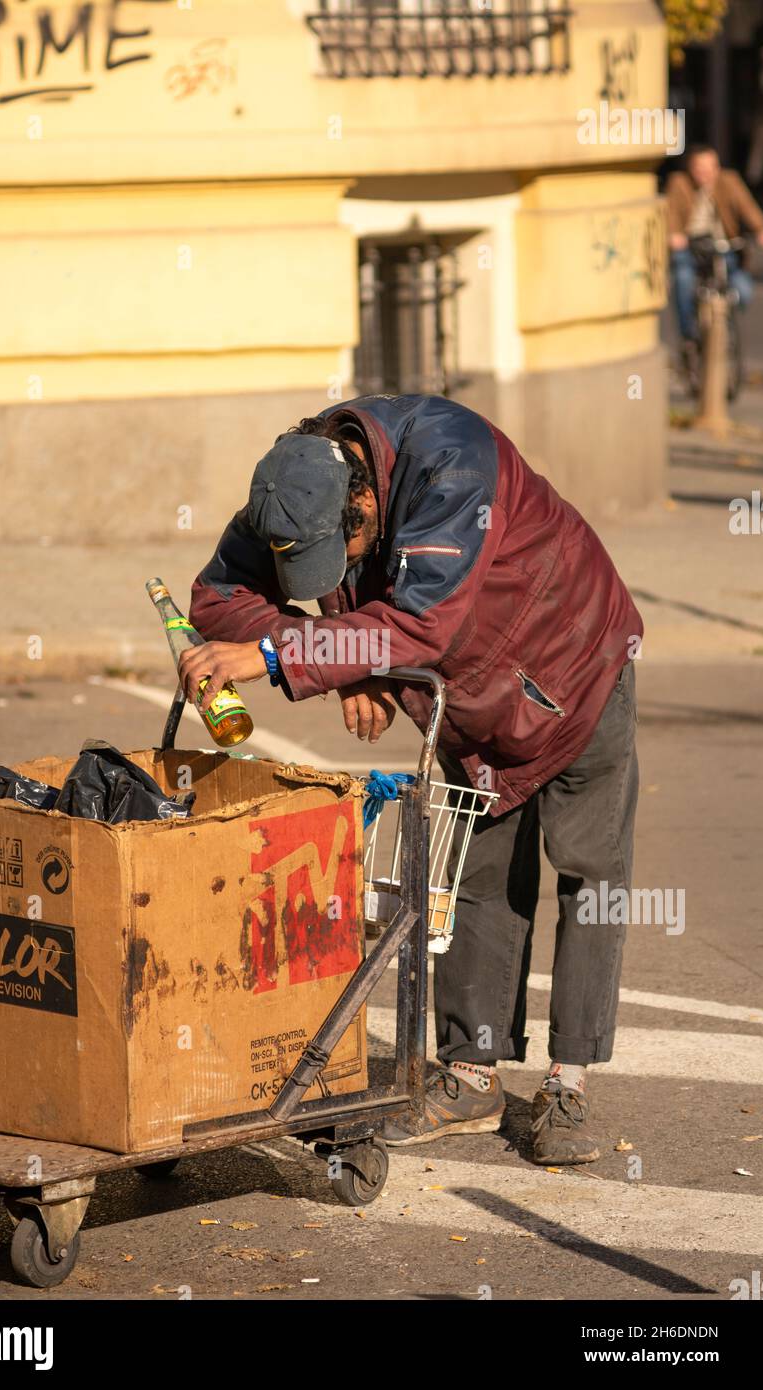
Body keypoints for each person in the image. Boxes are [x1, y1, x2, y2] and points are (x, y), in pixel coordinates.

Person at [183, 395, 642, 1165]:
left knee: (588, 876)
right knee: (476, 879)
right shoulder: (298, 482)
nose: (326, 573)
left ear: (364, 496)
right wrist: (338, 663)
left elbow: (421, 624)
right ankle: (472, 1074)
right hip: (465, 697)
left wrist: (281, 657)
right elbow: (216, 598)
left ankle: (568, 1082)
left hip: (570, 664)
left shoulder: (453, 463)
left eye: (341, 549)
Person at [667, 144, 763, 367]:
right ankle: (690, 335)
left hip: (723, 245)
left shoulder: (728, 181)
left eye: (710, 166)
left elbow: (747, 207)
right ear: (690, 168)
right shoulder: (679, 182)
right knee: (684, 279)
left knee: (743, 288)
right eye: (699, 167)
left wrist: (762, 230)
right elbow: (672, 213)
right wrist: (675, 235)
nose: (705, 172)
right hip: (691, 247)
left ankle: (723, 324)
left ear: (717, 167)